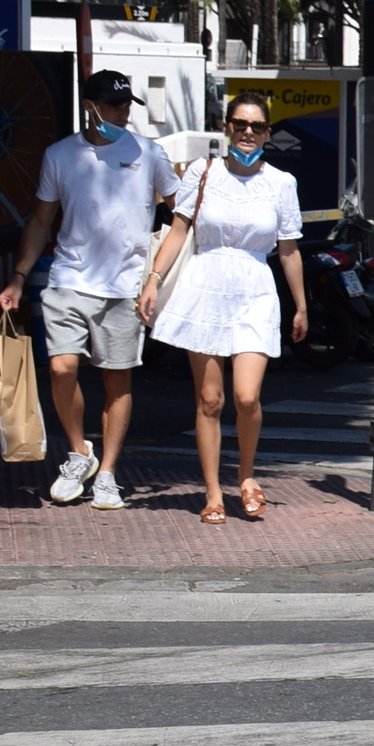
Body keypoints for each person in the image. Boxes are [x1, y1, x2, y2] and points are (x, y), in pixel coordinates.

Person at [0, 70, 180, 510]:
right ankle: (80, 453)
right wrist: (18, 276)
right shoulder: (60, 155)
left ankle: (110, 473)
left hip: (124, 287)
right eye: (115, 105)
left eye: (127, 105)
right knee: (61, 369)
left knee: (117, 380)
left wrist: (155, 275)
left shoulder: (149, 153)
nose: (124, 113)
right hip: (68, 278)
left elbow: (184, 214)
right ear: (90, 106)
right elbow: (41, 220)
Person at [139, 94, 308, 523]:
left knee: (246, 396)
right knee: (210, 399)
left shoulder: (281, 183)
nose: (247, 132)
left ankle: (247, 476)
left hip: (254, 288)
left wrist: (301, 306)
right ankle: (213, 493)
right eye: (239, 124)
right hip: (204, 284)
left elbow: (288, 250)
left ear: (268, 133)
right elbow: (179, 231)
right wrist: (154, 280)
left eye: (256, 126)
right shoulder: (203, 171)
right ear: (227, 127)